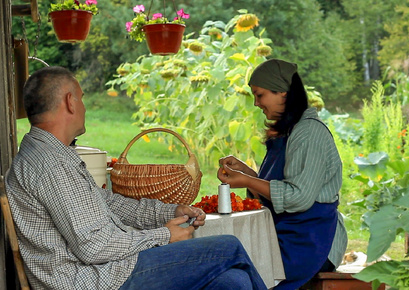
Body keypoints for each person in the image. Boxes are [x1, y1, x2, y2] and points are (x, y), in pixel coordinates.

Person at [6, 66, 267, 290]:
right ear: (70, 102)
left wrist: (169, 212)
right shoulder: (50, 164)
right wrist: (163, 236)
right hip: (95, 280)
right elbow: (94, 246)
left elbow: (111, 204)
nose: (84, 107)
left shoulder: (52, 155)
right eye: (82, 99)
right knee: (229, 247)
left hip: (110, 271)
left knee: (234, 282)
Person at [217, 59, 347, 289]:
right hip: (288, 235)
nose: (257, 103)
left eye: (260, 95)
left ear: (283, 93)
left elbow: (298, 197)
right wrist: (247, 172)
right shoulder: (290, 132)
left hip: (311, 242)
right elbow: (279, 186)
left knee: (238, 277)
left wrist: (248, 180)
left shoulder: (309, 133)